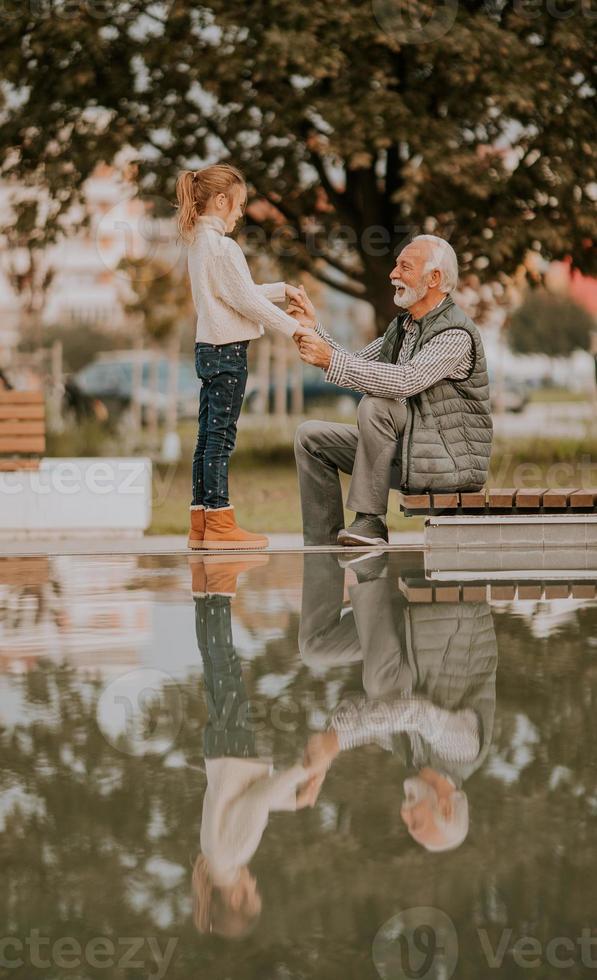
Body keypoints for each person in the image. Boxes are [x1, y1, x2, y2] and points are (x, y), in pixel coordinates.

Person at [288, 236, 493, 546]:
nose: (392, 274)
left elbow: (406, 380)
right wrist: (313, 328)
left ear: (434, 278)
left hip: (447, 463)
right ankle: (323, 545)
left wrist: (330, 359)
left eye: (404, 267)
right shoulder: (403, 327)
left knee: (377, 406)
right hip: (408, 452)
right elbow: (355, 366)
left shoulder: (455, 333)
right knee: (310, 437)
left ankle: (370, 522)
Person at [298, 551, 497, 851]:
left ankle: (321, 523)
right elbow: (417, 713)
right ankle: (368, 563)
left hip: (411, 632)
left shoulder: (409, 753)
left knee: (316, 648)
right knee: (383, 688)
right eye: (415, 822)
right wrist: (338, 741)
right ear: (445, 808)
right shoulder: (464, 752)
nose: (404, 814)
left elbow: (352, 709)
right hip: (450, 619)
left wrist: (326, 751)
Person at [176, 163, 313, 552]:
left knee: (207, 437)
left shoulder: (199, 245)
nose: (240, 213)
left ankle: (201, 523)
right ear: (221, 200)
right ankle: (220, 522)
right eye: (238, 205)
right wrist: (296, 329)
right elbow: (246, 300)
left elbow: (238, 291)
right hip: (229, 352)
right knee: (221, 438)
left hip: (207, 349)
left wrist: (283, 289)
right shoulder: (223, 246)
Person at [190, 554, 320, 937]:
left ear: (235, 900)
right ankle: (206, 590)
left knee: (224, 663)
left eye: (253, 893)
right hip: (220, 752)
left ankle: (215, 588)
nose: (255, 884)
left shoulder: (233, 856)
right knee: (215, 667)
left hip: (235, 751)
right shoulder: (214, 859)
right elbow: (249, 800)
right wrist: (293, 800)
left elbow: (255, 800)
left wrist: (303, 770)